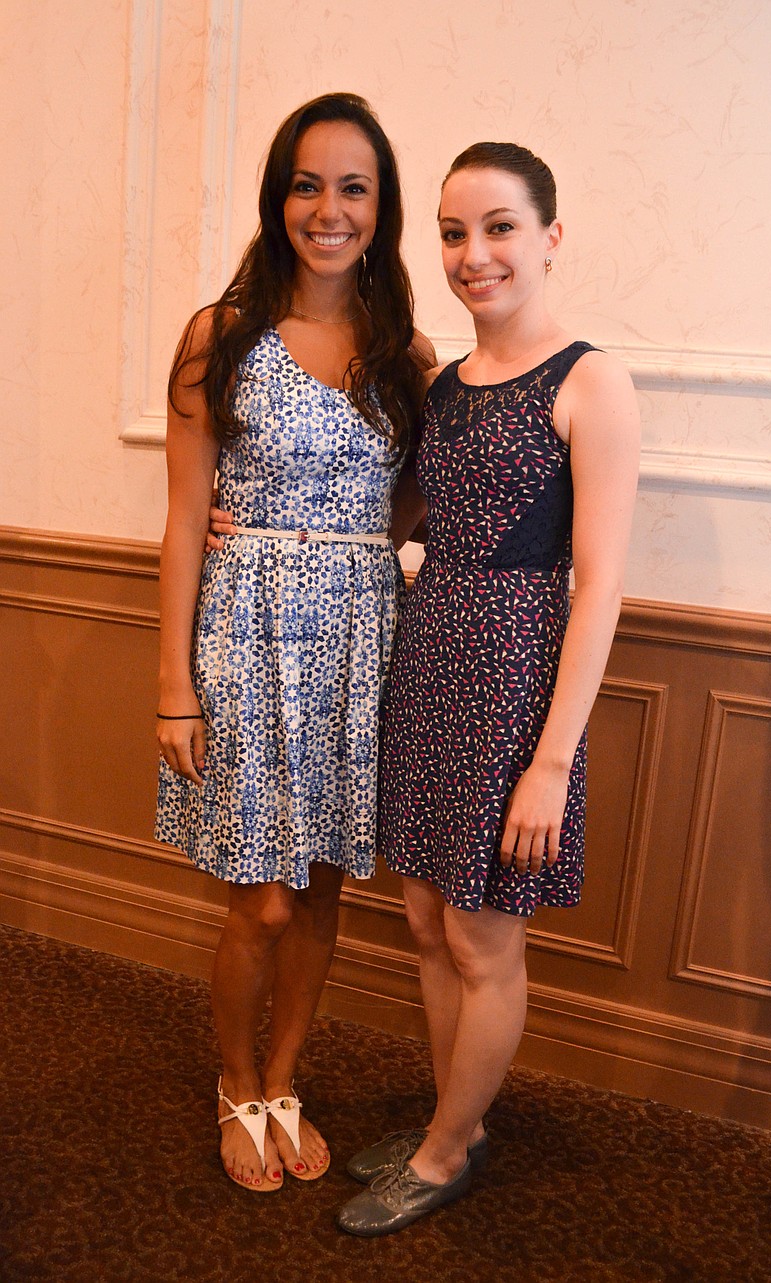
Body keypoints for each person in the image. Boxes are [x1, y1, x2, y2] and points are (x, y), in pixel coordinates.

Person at [335, 142, 641, 1235]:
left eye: (500, 226)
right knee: (425, 919)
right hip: (429, 655)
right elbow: (387, 519)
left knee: (483, 934)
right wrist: (257, 524)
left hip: (517, 678)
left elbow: (599, 584)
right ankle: (448, 1113)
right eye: (456, 233)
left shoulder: (590, 379)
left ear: (550, 236)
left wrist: (552, 761)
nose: (475, 254)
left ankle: (449, 1144)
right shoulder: (442, 387)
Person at [155, 91, 431, 1193]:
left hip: (361, 634)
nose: (329, 208)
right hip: (246, 632)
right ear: (279, 198)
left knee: (320, 890)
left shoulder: (404, 348)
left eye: (353, 187)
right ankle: (232, 1082)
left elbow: (410, 500)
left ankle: (283, 1079)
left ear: (380, 207)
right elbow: (181, 517)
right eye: (308, 183)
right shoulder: (220, 337)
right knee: (257, 895)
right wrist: (171, 684)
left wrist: (342, 542)